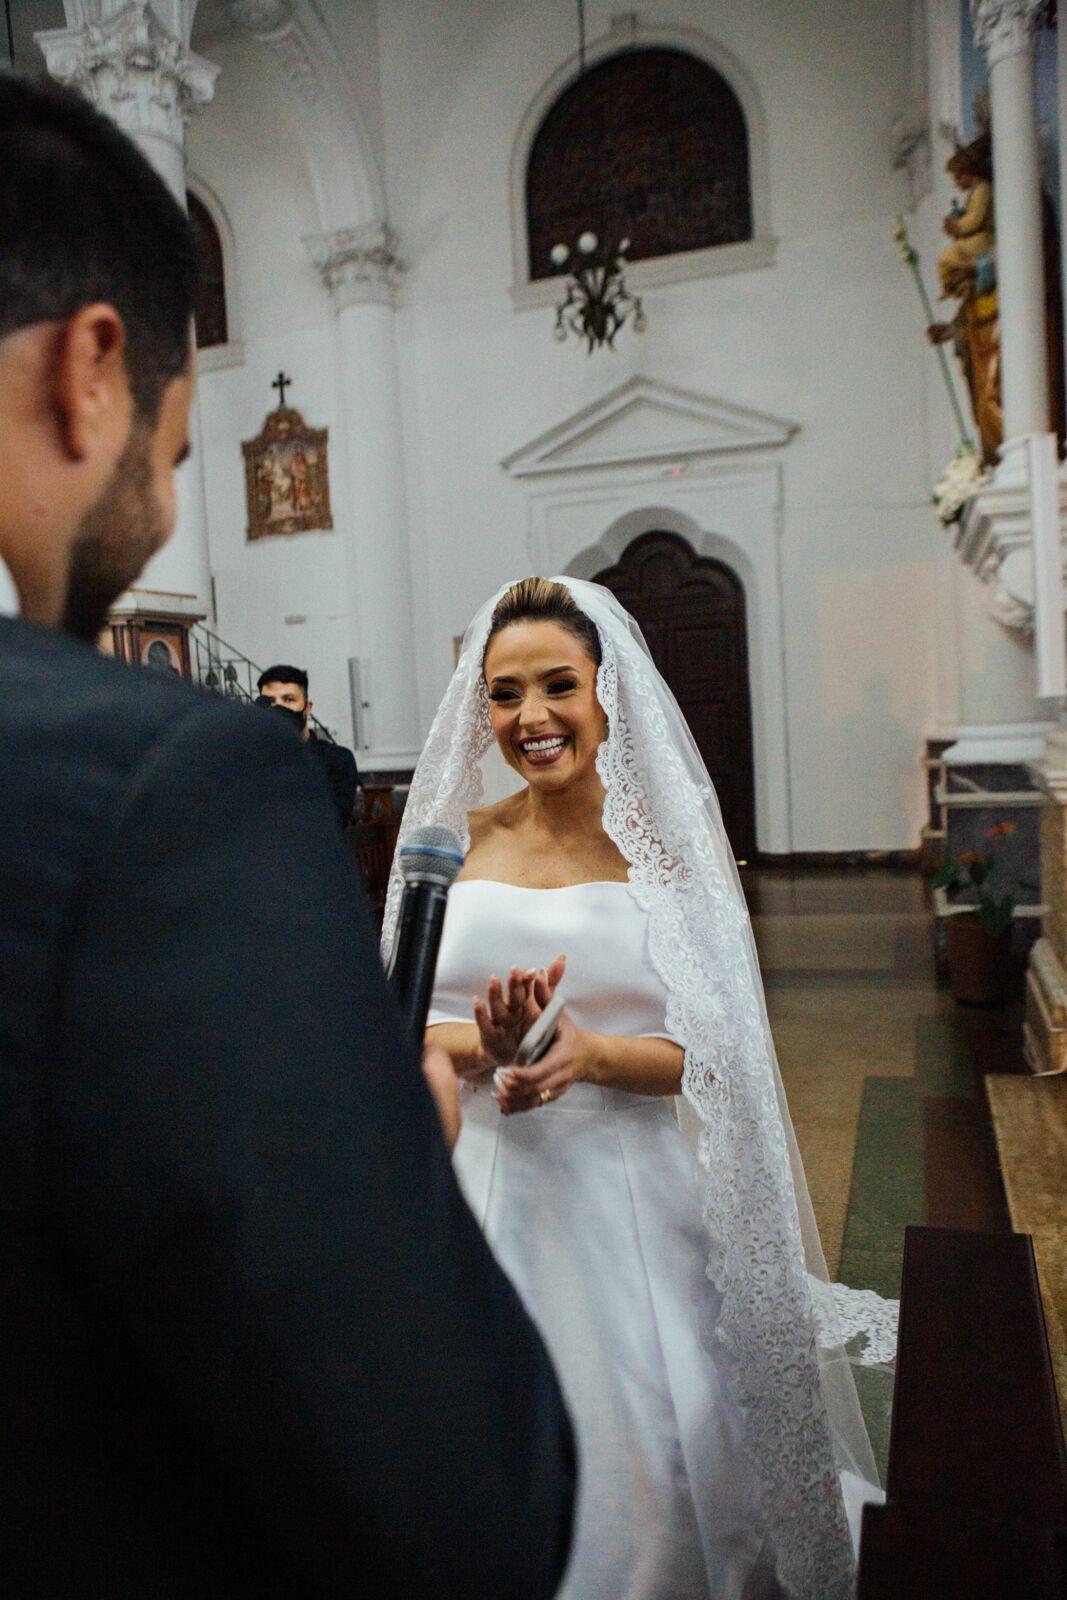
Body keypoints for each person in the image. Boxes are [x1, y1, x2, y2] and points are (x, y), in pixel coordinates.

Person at [0, 75, 575, 1597]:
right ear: (92, 371)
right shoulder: (162, 793)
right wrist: (386, 1158)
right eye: (179, 459)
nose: (165, 509)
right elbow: (462, 1499)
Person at [387, 576, 887, 1600]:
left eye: (556, 685)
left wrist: (588, 1052)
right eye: (502, 693)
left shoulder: (669, 853)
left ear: (606, 690)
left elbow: (719, 1053)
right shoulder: (454, 842)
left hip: (627, 1186)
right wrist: (485, 1047)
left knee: (658, 1454)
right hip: (474, 1184)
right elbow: (386, 1023)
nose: (529, 717)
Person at [258, 663, 360, 829]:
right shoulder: (252, 760)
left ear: (307, 707)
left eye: (289, 699)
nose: (279, 709)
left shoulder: (337, 759)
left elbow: (334, 822)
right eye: (270, 702)